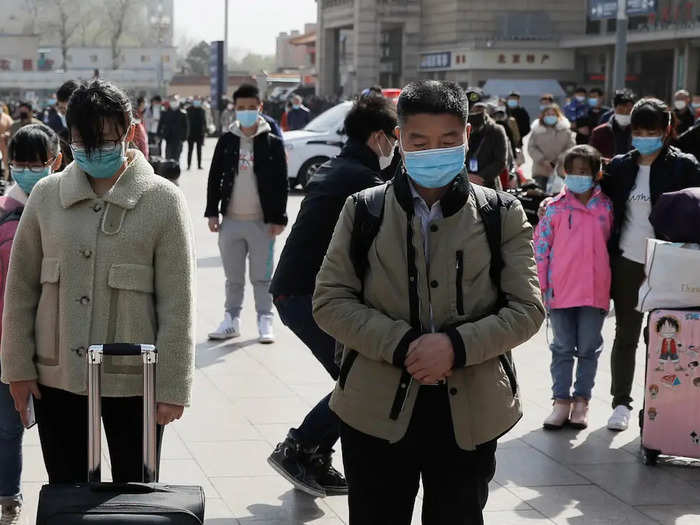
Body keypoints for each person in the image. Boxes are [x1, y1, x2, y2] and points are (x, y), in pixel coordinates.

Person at [312, 80, 545, 525]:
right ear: (399, 139)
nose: (433, 151)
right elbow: (330, 300)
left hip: (470, 415)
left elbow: (527, 308)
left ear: (466, 139)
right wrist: (402, 344)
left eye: (447, 141)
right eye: (419, 141)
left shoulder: (502, 214)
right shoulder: (363, 209)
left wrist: (455, 347)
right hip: (374, 411)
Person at [0, 80, 196, 485]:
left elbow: (178, 302)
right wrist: (17, 368)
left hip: (135, 379)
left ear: (128, 131)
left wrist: (174, 384)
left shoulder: (162, 200)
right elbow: (20, 290)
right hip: (59, 378)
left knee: (135, 493)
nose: (94, 149)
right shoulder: (46, 197)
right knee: (68, 490)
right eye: (81, 141)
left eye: (104, 140)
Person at [267, 95, 398, 498]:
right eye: (397, 138)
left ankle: (315, 455)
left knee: (355, 379)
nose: (397, 147)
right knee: (361, 381)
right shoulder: (362, 182)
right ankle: (300, 448)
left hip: (299, 290)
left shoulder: (342, 168)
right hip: (308, 295)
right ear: (378, 137)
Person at [601, 98, 700, 431]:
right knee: (626, 333)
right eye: (639, 131)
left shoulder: (684, 166)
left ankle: (656, 407)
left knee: (663, 338)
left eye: (652, 131)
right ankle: (620, 403)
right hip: (628, 261)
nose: (644, 137)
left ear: (666, 130)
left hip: (669, 264)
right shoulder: (620, 166)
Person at [0, 123, 62, 525]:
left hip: (59, 342)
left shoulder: (66, 210)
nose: (27, 170)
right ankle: (8, 494)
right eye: (19, 163)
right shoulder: (4, 215)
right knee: (7, 428)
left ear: (54, 162)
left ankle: (66, 501)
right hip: (8, 340)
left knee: (60, 432)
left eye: (36, 163)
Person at [534, 145, 613, 431]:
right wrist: (541, 288)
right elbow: (540, 250)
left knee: (589, 348)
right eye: (573, 171)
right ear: (564, 173)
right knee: (562, 347)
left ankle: (582, 401)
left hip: (594, 292)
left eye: (585, 171)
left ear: (595, 175)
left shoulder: (606, 207)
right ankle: (560, 402)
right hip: (561, 292)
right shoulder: (553, 209)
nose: (578, 176)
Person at [206, 84, 288, 343]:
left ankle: (265, 319)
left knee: (262, 277)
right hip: (231, 221)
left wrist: (278, 218)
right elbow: (214, 177)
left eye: (251, 108)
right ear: (235, 109)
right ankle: (231, 319)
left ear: (260, 107)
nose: (246, 113)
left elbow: (281, 182)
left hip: (262, 224)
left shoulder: (272, 142)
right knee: (233, 278)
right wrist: (212, 212)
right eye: (241, 108)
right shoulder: (227, 140)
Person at [465, 95, 507, 189]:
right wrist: (466, 176)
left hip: (489, 185)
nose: (476, 113)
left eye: (480, 109)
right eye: (473, 110)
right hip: (465, 183)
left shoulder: (496, 130)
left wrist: (481, 177)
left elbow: (500, 161)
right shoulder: (460, 130)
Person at [528, 104, 575, 190]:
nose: (550, 117)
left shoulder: (565, 131)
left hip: (561, 170)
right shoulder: (537, 130)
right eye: (548, 115)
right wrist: (542, 160)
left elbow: (571, 147)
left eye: (553, 114)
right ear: (543, 116)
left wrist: (561, 158)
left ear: (558, 116)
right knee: (539, 197)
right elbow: (531, 148)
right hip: (540, 170)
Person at [590, 89, 636, 160]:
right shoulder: (599, 132)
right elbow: (592, 155)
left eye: (629, 110)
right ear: (614, 108)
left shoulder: (639, 131)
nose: (625, 112)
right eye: (621, 109)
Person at [158, 95, 188, 164]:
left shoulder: (183, 113)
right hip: (168, 138)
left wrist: (184, 137)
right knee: (168, 156)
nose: (173, 102)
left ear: (178, 101)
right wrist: (159, 134)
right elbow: (161, 124)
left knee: (177, 156)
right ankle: (168, 171)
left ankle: (175, 171)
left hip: (178, 138)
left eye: (175, 100)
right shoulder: (165, 113)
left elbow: (186, 127)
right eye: (172, 100)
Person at [186, 96, 206, 170]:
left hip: (200, 133)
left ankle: (199, 165)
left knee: (199, 150)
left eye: (198, 100)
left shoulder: (202, 110)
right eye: (195, 100)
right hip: (190, 133)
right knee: (190, 150)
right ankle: (188, 165)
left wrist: (204, 134)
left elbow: (204, 123)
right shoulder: (188, 110)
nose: (197, 101)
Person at [0, 104, 12, 175]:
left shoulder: (6, 117)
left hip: (4, 144)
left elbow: (12, 128)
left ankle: (5, 178)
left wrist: (6, 134)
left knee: (5, 162)